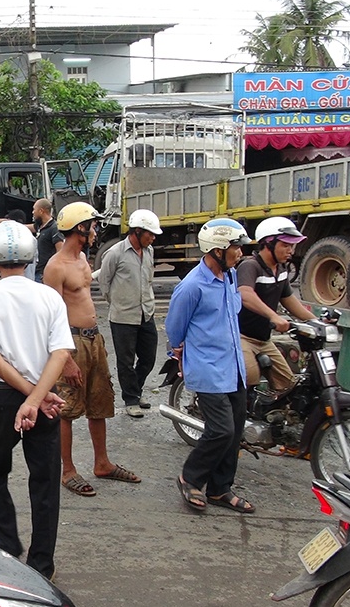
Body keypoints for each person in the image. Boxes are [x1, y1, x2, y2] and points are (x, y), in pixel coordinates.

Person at [0, 221, 71, 580]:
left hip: (2, 398)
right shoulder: (49, 297)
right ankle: (42, 565)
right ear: (30, 257)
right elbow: (59, 354)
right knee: (44, 481)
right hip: (46, 396)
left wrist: (31, 398)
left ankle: (8, 548)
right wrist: (39, 398)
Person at [44, 202, 141, 497]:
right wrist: (66, 360)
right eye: (93, 226)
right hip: (71, 344)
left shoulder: (84, 259)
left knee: (99, 403)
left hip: (94, 339)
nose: (96, 231)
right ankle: (68, 470)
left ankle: (102, 463)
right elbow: (53, 317)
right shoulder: (55, 267)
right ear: (79, 229)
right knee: (67, 409)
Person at [165, 217, 255, 514]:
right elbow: (175, 328)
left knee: (235, 431)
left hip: (234, 367)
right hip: (208, 369)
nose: (240, 253)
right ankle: (189, 477)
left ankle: (220, 489)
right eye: (235, 248)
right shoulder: (192, 286)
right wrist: (178, 352)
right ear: (217, 250)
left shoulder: (229, 277)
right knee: (221, 431)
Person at [238, 217, 316, 394]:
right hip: (240, 337)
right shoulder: (250, 266)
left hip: (264, 340)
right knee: (250, 375)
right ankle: (238, 417)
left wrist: (316, 322)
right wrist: (274, 316)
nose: (290, 251)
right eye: (285, 245)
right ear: (268, 244)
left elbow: (289, 300)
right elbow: (245, 294)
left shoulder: (281, 270)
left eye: (292, 246)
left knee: (288, 385)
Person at [98, 209, 162, 417]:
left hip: (146, 313)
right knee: (125, 360)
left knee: (149, 357)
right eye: (149, 234)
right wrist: (116, 302)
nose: (152, 238)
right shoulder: (115, 253)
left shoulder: (150, 251)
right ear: (136, 231)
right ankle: (131, 399)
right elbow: (104, 282)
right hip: (123, 316)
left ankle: (137, 388)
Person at [32, 198, 62, 283]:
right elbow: (28, 227)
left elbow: (60, 252)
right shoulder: (40, 226)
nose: (33, 212)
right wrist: (10, 223)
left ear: (41, 211)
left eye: (34, 209)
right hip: (37, 273)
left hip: (44, 275)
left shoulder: (54, 228)